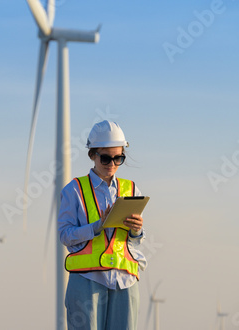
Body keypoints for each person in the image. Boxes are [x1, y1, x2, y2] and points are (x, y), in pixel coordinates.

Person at [58, 120, 147, 330]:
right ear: (92, 155)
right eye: (106, 158)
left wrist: (137, 230)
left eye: (119, 158)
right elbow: (65, 235)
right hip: (88, 279)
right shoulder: (74, 190)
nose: (112, 164)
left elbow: (134, 242)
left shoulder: (132, 189)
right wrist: (96, 226)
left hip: (124, 280)